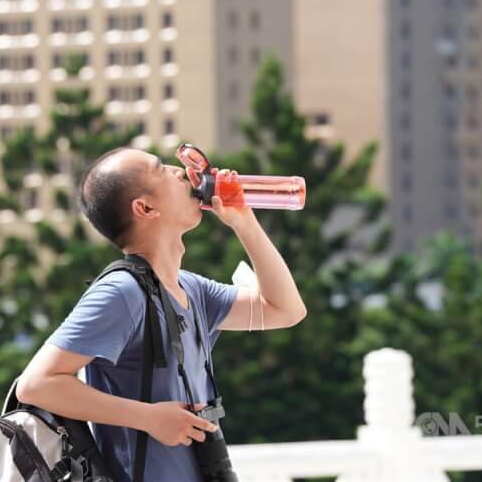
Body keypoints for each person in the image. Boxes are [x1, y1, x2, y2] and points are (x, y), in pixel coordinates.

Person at [16, 147, 307, 482]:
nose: (181, 171)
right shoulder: (122, 293)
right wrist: (148, 418)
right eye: (162, 169)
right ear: (145, 207)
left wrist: (244, 222)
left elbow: (286, 310)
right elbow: (36, 384)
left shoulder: (190, 288)